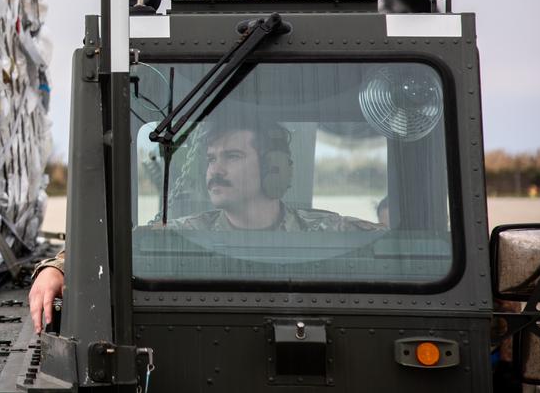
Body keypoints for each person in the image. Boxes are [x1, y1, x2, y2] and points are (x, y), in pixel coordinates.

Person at [28, 118, 382, 332]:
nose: (216, 170)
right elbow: (118, 244)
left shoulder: (323, 230)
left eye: (233, 156)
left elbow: (392, 241)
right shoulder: (188, 232)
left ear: (273, 168)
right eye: (212, 159)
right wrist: (57, 270)